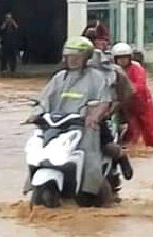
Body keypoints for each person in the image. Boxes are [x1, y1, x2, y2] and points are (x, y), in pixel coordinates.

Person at [23, 37, 113, 204]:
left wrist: (94, 115)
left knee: (91, 161)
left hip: (84, 127)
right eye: (69, 57)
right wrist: (35, 114)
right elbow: (44, 100)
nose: (72, 60)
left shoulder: (97, 77)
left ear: (86, 58)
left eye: (76, 57)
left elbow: (104, 101)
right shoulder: (59, 77)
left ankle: (95, 193)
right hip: (57, 127)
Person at [84, 29, 134, 184]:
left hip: (100, 115)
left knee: (105, 144)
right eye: (91, 41)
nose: (95, 44)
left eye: (97, 40)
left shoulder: (111, 69)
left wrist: (114, 110)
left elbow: (125, 94)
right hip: (73, 116)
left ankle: (120, 156)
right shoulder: (68, 71)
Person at [112, 43, 153, 148]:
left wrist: (125, 92)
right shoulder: (112, 69)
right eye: (120, 58)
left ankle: (148, 147)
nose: (123, 60)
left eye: (125, 58)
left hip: (140, 104)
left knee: (147, 130)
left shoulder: (137, 69)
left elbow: (139, 86)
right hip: (121, 103)